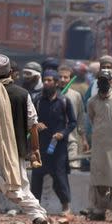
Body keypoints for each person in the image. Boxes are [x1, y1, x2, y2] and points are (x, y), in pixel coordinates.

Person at [0, 54, 49, 224]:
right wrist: (35, 149)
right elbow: (33, 124)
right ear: (11, 72)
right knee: (21, 187)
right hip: (17, 152)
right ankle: (37, 216)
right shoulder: (22, 94)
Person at [31, 70, 77, 215]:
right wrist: (36, 125)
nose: (46, 82)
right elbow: (30, 119)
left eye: (50, 80)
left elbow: (73, 123)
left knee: (59, 176)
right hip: (41, 144)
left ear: (56, 83)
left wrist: (62, 134)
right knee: (37, 176)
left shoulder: (64, 101)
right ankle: (35, 207)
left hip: (58, 147)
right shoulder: (37, 101)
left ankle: (65, 206)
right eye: (45, 80)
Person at [86, 70, 112, 221]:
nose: (103, 84)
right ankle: (99, 209)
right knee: (99, 178)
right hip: (99, 144)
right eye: (100, 81)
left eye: (106, 81)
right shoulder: (92, 102)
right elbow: (92, 119)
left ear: (111, 82)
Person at [58, 65, 87, 170]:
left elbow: (80, 119)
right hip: (54, 140)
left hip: (72, 141)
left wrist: (83, 139)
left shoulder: (76, 96)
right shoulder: (51, 95)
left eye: (66, 77)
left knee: (73, 168)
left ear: (70, 79)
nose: (62, 80)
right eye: (60, 77)